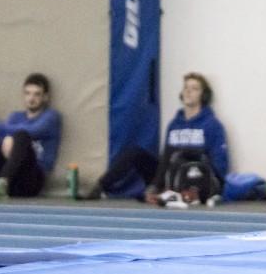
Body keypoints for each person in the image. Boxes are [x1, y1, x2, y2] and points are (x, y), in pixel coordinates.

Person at [86, 72, 228, 205]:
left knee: (178, 153)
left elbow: (218, 164)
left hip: (194, 178)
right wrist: (158, 181)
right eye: (186, 88)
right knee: (135, 153)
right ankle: (100, 187)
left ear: (203, 95)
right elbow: (165, 158)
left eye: (194, 88)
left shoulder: (212, 125)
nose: (188, 91)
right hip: (168, 176)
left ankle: (161, 190)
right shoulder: (174, 124)